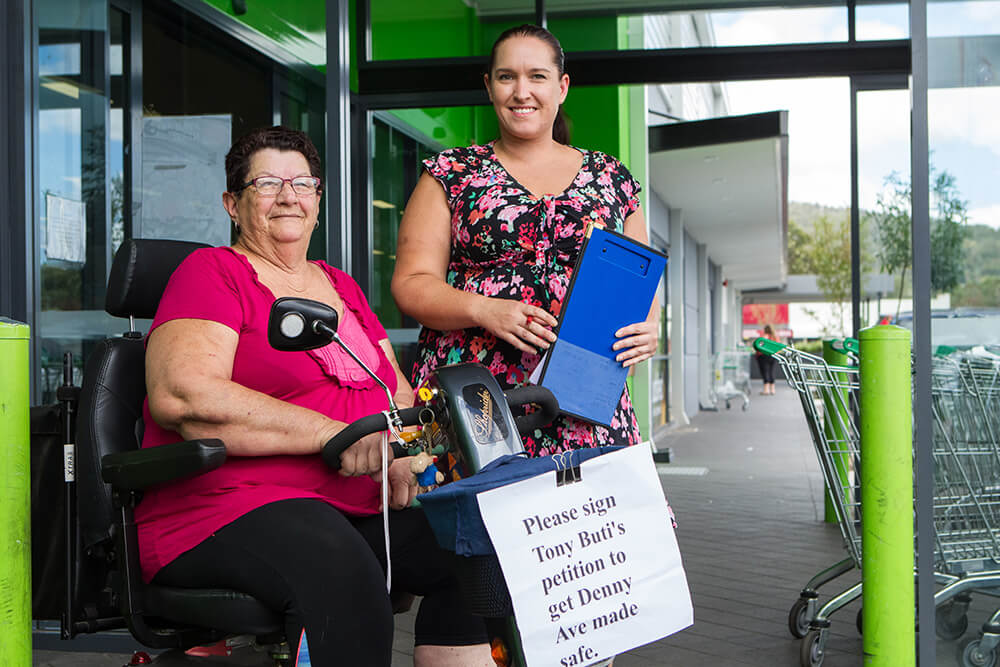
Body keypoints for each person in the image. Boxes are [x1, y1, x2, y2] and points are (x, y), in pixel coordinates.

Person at [136, 126, 491, 667]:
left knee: (474, 547)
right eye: (268, 183)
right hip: (229, 504)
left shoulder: (340, 286)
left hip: (352, 504)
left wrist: (400, 456)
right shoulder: (213, 273)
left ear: (318, 203)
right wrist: (331, 435)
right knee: (344, 574)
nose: (288, 196)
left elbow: (391, 390)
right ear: (233, 203)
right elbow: (184, 395)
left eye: (303, 183)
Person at [391, 24, 659, 456]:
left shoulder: (612, 178)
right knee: (477, 522)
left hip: (585, 402)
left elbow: (640, 285)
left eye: (537, 76)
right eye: (506, 77)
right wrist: (483, 309)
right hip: (476, 400)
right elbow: (411, 283)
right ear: (489, 86)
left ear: (562, 86)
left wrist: (649, 328)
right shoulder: (451, 173)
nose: (522, 92)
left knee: (594, 522)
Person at [757, 324, 779, 395]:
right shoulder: (775, 337)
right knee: (771, 371)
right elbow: (778, 347)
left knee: (765, 372)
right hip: (773, 356)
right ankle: (772, 390)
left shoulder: (764, 337)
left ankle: (766, 390)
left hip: (764, 356)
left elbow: (759, 346)